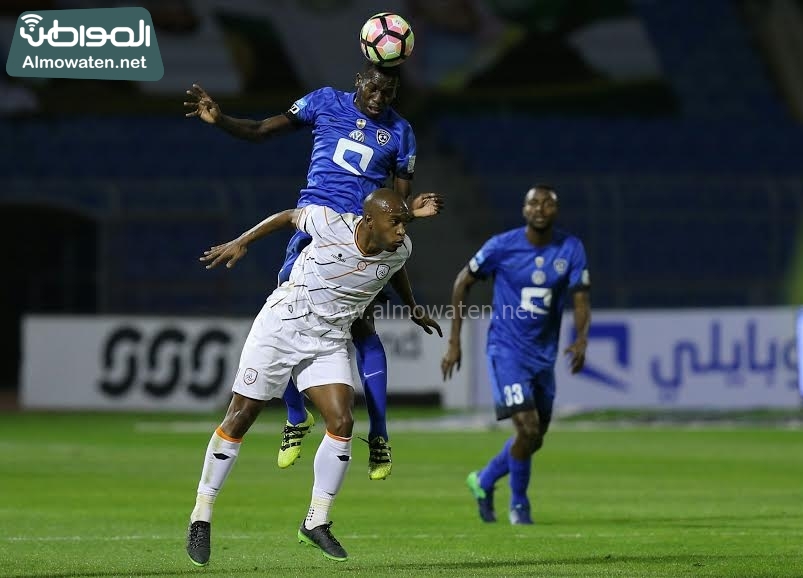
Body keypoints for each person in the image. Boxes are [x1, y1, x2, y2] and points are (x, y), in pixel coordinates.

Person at [184, 62, 442, 480]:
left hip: (361, 238)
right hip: (315, 227)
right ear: (359, 80)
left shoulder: (401, 132)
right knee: (284, 317)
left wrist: (410, 212)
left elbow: (396, 207)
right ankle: (294, 415)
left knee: (363, 327)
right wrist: (221, 121)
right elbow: (261, 130)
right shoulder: (324, 101)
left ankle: (379, 433)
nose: (380, 98)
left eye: (389, 93)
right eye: (375, 88)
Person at [186, 188, 442, 566]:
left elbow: (394, 267)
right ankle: (201, 515)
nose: (402, 230)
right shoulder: (330, 224)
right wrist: (242, 241)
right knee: (240, 417)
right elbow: (289, 216)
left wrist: (414, 308)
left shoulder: (400, 248)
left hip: (329, 339)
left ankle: (316, 521)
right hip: (282, 325)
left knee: (341, 420)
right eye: (395, 222)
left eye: (404, 222)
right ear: (368, 221)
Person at [440, 184, 591, 525]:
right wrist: (454, 341)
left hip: (543, 356)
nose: (540, 209)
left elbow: (581, 297)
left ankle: (483, 480)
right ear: (524, 210)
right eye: (533, 203)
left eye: (547, 203)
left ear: (555, 210)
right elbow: (462, 281)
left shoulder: (571, 248)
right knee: (527, 427)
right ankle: (519, 505)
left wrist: (581, 338)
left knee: (534, 437)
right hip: (506, 350)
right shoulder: (501, 246)